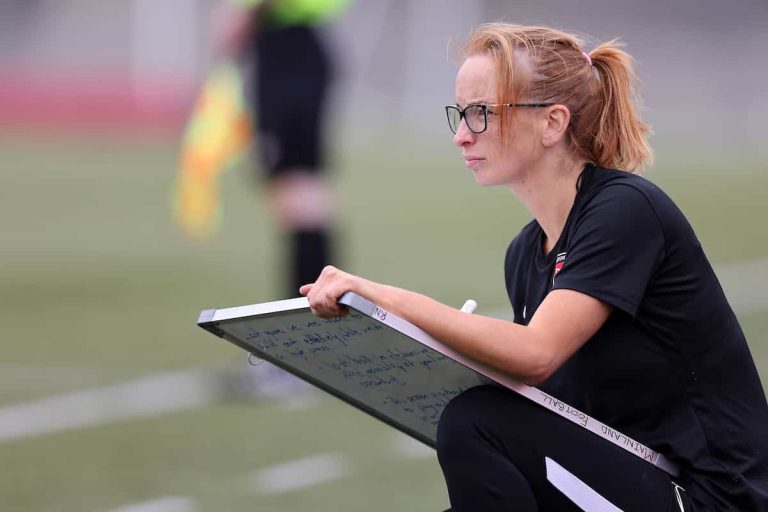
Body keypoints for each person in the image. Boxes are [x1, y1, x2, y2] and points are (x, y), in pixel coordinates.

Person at [300, 23, 768, 511]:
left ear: (553, 122)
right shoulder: (525, 253)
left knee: (475, 421)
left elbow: (536, 354)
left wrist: (382, 299)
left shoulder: (626, 210)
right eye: (459, 115)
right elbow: (551, 406)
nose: (461, 136)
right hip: (638, 479)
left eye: (480, 113)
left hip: (713, 497)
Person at [215, 0, 350, 298]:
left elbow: (235, 26)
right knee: (303, 181)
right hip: (297, 50)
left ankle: (307, 296)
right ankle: (322, 292)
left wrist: (240, 16)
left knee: (294, 181)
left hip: (287, 53)